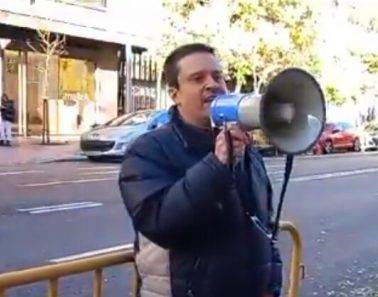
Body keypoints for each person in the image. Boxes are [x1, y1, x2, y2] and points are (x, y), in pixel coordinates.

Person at [118, 43, 282, 297]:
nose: (212, 84)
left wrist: (271, 284)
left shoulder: (245, 150)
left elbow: (263, 227)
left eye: (217, 76)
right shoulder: (149, 150)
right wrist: (216, 166)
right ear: (175, 94)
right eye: (197, 78)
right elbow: (158, 221)